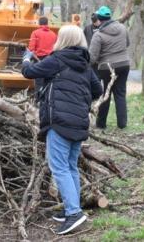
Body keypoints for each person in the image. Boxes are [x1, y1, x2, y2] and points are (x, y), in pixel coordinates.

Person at [21, 25, 103, 235]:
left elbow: (28, 72)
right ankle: (72, 210)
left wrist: (26, 57)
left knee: (59, 167)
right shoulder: (85, 64)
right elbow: (98, 89)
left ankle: (74, 214)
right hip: (79, 122)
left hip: (59, 121)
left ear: (62, 40)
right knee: (70, 166)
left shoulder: (57, 60)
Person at [88, 6, 130, 129]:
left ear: (99, 20)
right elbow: (127, 44)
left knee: (105, 94)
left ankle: (101, 124)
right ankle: (122, 124)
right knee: (120, 94)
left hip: (107, 68)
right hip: (124, 64)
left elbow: (92, 57)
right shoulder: (123, 28)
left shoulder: (98, 35)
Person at [27, 16, 57, 92]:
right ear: (47, 23)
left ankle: (38, 100)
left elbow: (31, 49)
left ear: (39, 23)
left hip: (39, 60)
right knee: (49, 81)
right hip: (50, 60)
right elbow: (56, 49)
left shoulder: (35, 33)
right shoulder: (53, 34)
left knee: (39, 82)